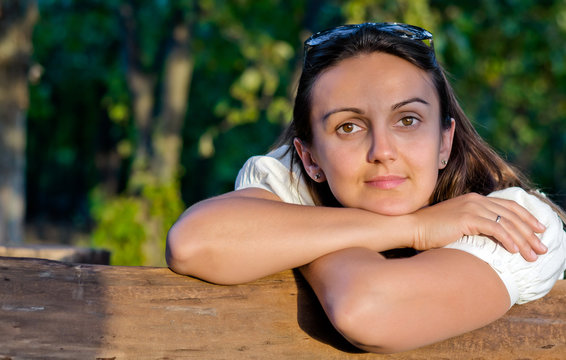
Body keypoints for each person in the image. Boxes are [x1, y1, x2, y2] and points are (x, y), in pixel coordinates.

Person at [166, 22, 566, 353]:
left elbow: (367, 307)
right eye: (348, 127)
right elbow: (193, 244)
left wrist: (305, 238)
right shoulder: (289, 178)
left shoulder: (515, 221)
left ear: (445, 142)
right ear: (310, 159)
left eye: (407, 120)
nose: (382, 151)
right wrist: (415, 228)